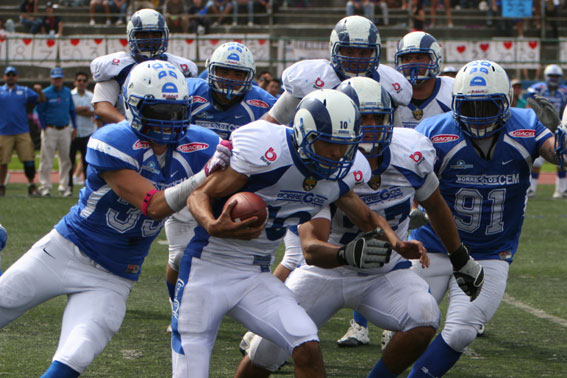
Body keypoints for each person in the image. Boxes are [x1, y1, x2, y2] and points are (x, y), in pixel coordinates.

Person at [234, 77, 483, 378]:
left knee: (424, 316)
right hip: (326, 271)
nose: (373, 125)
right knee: (266, 351)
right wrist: (347, 255)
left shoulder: (411, 152)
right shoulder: (323, 160)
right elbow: (311, 247)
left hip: (385, 272)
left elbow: (435, 205)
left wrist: (460, 258)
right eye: (363, 118)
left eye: (378, 117)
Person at [173, 89, 425, 377]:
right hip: (207, 269)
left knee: (306, 343)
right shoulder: (267, 152)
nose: (337, 153)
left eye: (345, 145)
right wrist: (212, 224)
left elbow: (367, 215)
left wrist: (396, 242)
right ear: (306, 134)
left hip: (256, 275)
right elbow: (198, 195)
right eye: (329, 143)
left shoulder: (341, 171)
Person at [0, 61, 228, 378]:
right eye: (159, 111)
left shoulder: (201, 145)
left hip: (114, 275)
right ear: (134, 106)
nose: (170, 120)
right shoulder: (112, 140)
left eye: (176, 111)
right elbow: (153, 205)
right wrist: (205, 175)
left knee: (75, 356)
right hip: (65, 251)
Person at [406, 60, 563, 377]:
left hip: (491, 251)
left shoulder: (526, 123)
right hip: (434, 246)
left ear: (505, 101)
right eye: (470, 107)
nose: (478, 116)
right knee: (411, 323)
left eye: (487, 106)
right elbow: (407, 177)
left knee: (462, 331)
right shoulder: (434, 131)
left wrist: (560, 141)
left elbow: (554, 154)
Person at [338, 30, 453, 347]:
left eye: (420, 57)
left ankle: (404, 319)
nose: (414, 64)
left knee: (411, 257)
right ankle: (360, 323)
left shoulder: (451, 93)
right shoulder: (385, 89)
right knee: (377, 243)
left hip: (429, 177)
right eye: (407, 58)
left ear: (436, 60)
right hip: (386, 172)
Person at [163, 41, 276, 320]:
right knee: (179, 257)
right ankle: (177, 306)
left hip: (233, 186)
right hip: (187, 181)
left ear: (250, 76)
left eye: (238, 74)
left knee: (240, 256)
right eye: (225, 71)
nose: (230, 79)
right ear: (210, 70)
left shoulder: (263, 103)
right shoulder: (190, 94)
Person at [263, 15, 412, 127]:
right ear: (334, 48)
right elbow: (270, 124)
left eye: (363, 52)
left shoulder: (389, 84)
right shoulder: (310, 79)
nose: (356, 58)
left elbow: (396, 136)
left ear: (374, 52)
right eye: (349, 51)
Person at [90, 9, 198, 125]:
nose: (150, 39)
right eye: (143, 34)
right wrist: (128, 125)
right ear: (131, 36)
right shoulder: (117, 67)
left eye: (156, 34)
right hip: (129, 133)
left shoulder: (180, 67)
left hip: (169, 129)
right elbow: (102, 106)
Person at [0, 66, 45, 197]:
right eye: (8, 75)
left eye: (13, 75)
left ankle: (31, 185)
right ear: (4, 77)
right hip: (3, 132)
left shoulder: (24, 91)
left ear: (17, 77)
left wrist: (40, 91)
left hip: (22, 131)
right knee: (2, 162)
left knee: (29, 160)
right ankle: (1, 186)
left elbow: (40, 99)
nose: (11, 77)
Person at [527, 64, 567, 198]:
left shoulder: (564, 91)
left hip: (559, 128)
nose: (554, 79)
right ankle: (531, 189)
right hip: (541, 127)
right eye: (552, 76)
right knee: (537, 161)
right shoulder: (538, 89)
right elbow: (529, 106)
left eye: (557, 76)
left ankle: (561, 190)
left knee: (561, 158)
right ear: (546, 76)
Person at [35, 67, 77, 198]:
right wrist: (44, 126)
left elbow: (72, 110)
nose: (57, 80)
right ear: (51, 79)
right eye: (55, 78)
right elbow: (39, 111)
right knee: (46, 159)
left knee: (66, 159)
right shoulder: (45, 93)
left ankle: (64, 188)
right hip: (50, 129)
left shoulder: (67, 92)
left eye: (59, 78)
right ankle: (45, 187)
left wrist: (74, 126)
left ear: (63, 79)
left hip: (65, 128)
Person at [68, 72, 96, 194]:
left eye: (84, 80)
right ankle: (68, 186)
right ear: (75, 82)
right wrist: (81, 110)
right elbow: (68, 111)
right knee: (70, 161)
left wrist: (78, 110)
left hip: (87, 132)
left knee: (86, 162)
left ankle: (86, 187)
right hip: (73, 132)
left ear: (87, 82)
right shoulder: (70, 95)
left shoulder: (91, 96)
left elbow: (95, 112)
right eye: (79, 80)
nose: (81, 83)